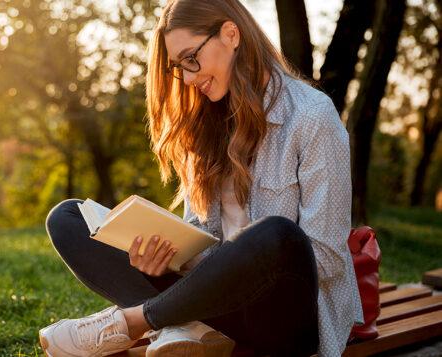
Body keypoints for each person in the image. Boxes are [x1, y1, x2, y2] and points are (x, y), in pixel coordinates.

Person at [39, 0, 364, 356]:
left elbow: (328, 259)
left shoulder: (312, 116)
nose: (189, 78)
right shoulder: (205, 123)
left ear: (230, 34)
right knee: (69, 218)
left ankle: (132, 323)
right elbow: (197, 236)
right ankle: (186, 326)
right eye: (180, 67)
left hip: (282, 316)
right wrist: (166, 256)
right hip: (212, 305)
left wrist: (234, 266)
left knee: (276, 235)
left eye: (191, 58)